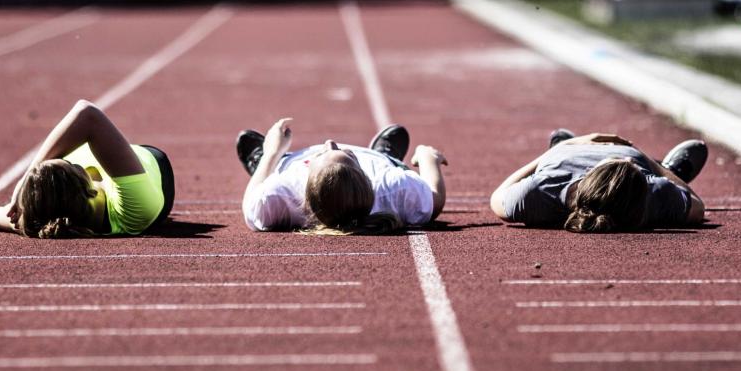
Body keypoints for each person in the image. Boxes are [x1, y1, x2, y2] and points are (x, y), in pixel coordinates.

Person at [0, 99, 174, 237]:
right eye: (71, 163)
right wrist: (23, 181)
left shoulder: (38, 218)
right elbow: (87, 113)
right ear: (85, 183)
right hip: (149, 164)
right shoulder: (134, 207)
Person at [237, 119, 446, 234]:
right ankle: (385, 154)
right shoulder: (391, 186)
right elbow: (434, 198)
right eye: (347, 154)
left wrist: (272, 154)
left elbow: (250, 206)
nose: (330, 141)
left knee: (268, 168)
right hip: (374, 158)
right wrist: (429, 159)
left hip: (289, 159)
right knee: (388, 162)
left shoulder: (281, 193)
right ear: (365, 175)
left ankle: (259, 160)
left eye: (321, 154)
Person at [490, 130, 707, 232]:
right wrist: (653, 165)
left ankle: (561, 140)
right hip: (637, 163)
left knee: (561, 138)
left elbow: (498, 196)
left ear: (590, 173)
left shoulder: (542, 188)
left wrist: (559, 150)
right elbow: (698, 206)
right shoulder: (654, 189)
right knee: (675, 190)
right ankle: (671, 168)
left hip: (569, 153)